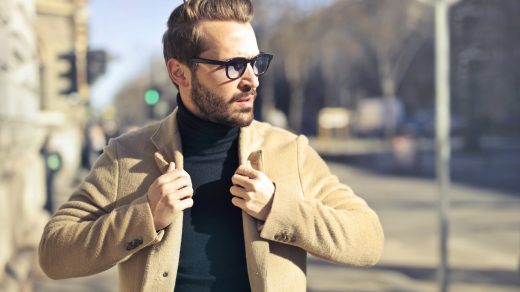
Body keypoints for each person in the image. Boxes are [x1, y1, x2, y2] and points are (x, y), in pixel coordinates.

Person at [38, 1, 384, 291]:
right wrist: (144, 217)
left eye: (256, 62)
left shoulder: (289, 151)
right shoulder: (127, 156)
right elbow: (54, 254)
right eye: (234, 66)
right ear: (180, 73)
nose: (252, 80)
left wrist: (280, 208)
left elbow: (368, 240)